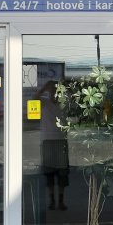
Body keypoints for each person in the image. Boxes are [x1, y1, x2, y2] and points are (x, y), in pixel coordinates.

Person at [38, 81, 69, 210]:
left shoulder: (64, 103)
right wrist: (43, 88)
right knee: (49, 172)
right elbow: (32, 101)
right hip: (47, 140)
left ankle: (61, 200)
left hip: (61, 140)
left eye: (56, 90)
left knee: (62, 173)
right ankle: (52, 200)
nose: (54, 92)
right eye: (52, 90)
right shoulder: (44, 102)